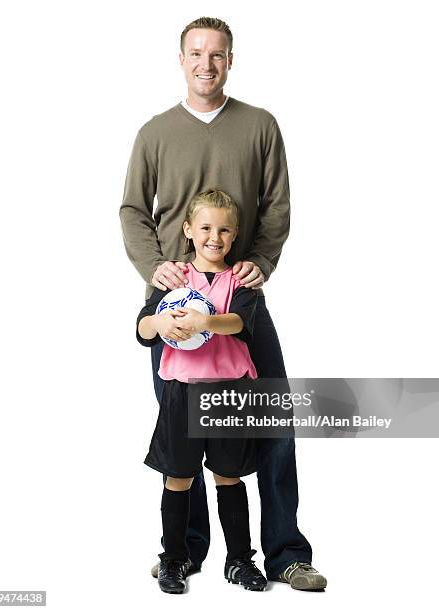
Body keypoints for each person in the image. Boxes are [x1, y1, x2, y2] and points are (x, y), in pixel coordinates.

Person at [120, 16, 327, 590]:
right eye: (195, 53)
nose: (206, 63)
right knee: (184, 438)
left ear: (230, 60)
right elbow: (133, 210)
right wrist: (151, 267)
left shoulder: (259, 125)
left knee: (270, 421)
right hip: (176, 309)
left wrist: (259, 261)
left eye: (217, 54)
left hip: (240, 302)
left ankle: (284, 553)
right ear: (181, 59)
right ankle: (183, 554)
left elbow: (277, 204)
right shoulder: (155, 133)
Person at [137, 189, 268, 594]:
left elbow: (237, 323)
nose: (216, 236)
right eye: (207, 227)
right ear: (189, 230)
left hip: (227, 393)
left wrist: (204, 321)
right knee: (178, 477)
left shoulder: (241, 280)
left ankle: (240, 561)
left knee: (228, 477)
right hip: (182, 392)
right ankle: (174, 560)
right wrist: (159, 325)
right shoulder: (174, 280)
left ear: (235, 235)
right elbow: (142, 326)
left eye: (225, 229)